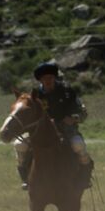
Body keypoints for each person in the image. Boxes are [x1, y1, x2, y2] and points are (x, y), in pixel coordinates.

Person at [16, 62, 93, 190]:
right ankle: (25, 177)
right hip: (40, 132)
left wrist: (73, 118)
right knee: (20, 145)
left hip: (66, 130)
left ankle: (85, 177)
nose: (48, 81)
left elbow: (83, 112)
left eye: (50, 78)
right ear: (40, 80)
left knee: (78, 145)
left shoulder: (67, 91)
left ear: (55, 78)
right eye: (45, 79)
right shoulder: (35, 95)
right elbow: (29, 114)